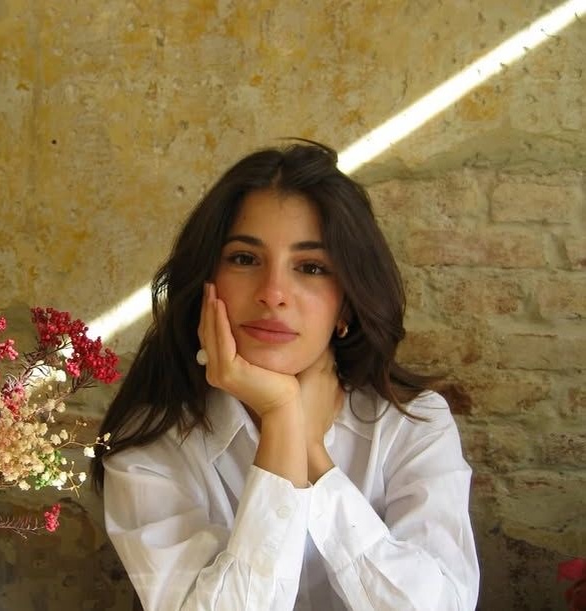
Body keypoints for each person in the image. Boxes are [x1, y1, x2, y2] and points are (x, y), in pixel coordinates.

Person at [91, 140, 479, 610]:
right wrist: (281, 416)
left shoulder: (413, 424)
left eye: (311, 267)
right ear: (205, 283)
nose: (273, 292)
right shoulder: (151, 444)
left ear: (346, 304)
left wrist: (311, 452)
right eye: (244, 259)